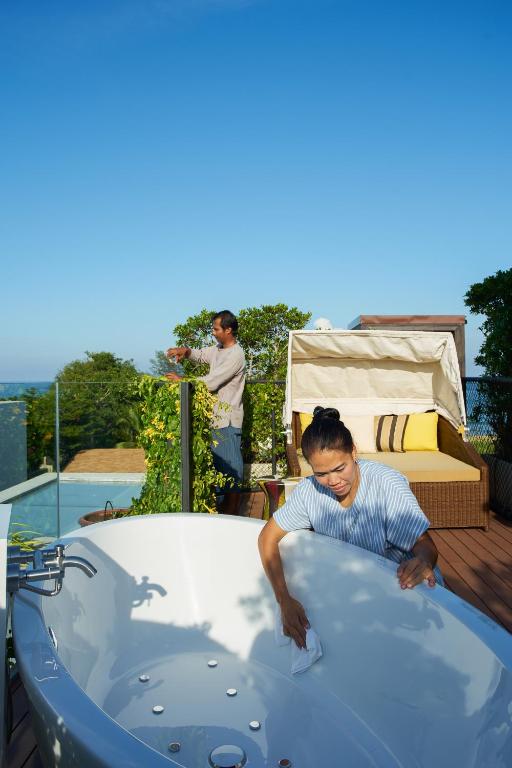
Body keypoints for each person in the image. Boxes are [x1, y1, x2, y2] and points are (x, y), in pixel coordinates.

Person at [258, 406, 440, 648]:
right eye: (321, 473)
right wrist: (284, 600)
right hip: (355, 594)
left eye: (339, 468)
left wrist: (424, 562)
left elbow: (424, 544)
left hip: (405, 590)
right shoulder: (309, 491)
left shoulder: (386, 483)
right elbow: (267, 537)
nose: (333, 481)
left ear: (353, 451)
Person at [166, 310, 246, 515]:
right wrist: (185, 351)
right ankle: (221, 514)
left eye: (216, 329)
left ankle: (232, 516)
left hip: (227, 421)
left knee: (231, 470)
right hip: (215, 419)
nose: (213, 332)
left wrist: (183, 381)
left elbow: (212, 382)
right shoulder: (218, 350)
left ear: (228, 330)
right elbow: (201, 355)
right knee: (219, 471)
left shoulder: (236, 355)